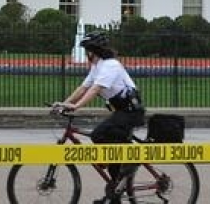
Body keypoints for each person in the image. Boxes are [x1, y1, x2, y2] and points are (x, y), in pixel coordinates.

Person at [54, 31, 144, 204]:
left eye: (87, 50)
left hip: (131, 112)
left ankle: (131, 163)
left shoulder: (110, 65)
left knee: (99, 134)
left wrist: (77, 106)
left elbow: (95, 89)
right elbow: (83, 88)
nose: (86, 54)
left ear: (92, 51)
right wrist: (64, 104)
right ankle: (116, 191)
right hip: (121, 112)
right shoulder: (98, 66)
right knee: (112, 154)